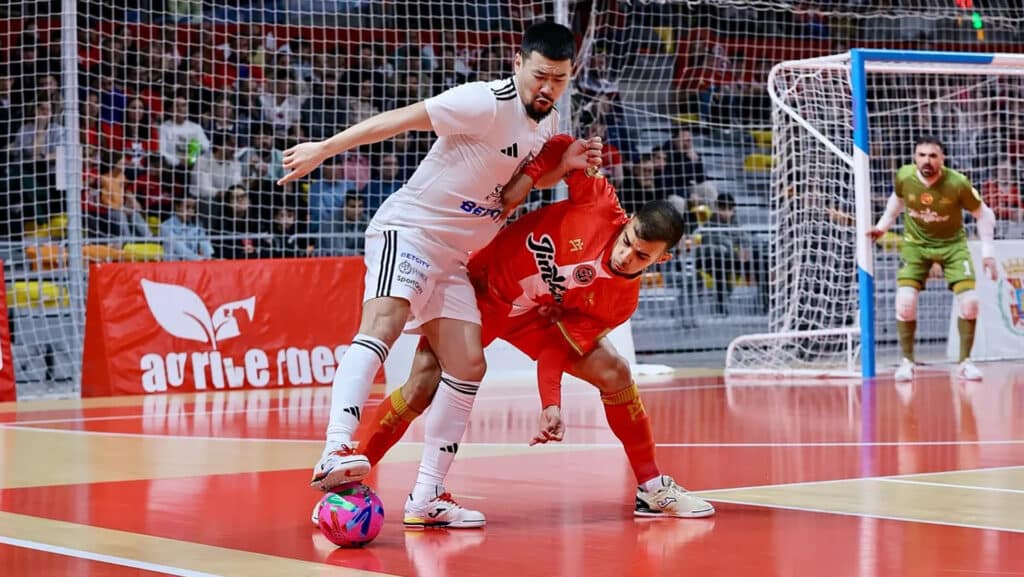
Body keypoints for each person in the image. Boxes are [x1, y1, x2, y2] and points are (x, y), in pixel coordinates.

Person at [320, 134, 715, 529]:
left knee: (615, 371)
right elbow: (561, 144)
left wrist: (550, 403)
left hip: (535, 318)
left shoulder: (620, 303)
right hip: (481, 291)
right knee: (423, 383)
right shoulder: (599, 202)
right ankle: (348, 478)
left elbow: (557, 346)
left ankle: (651, 487)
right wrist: (542, 171)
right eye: (628, 241)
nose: (627, 255)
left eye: (642, 256)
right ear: (627, 223)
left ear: (662, 259)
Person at [278, 22, 586, 520]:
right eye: (539, 76)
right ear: (517, 63)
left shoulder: (546, 124)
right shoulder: (483, 102)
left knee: (468, 365)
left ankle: (427, 496)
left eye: (559, 79)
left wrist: (561, 167)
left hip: (454, 259)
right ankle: (335, 447)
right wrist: (322, 150)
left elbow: (512, 186)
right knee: (383, 324)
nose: (547, 88)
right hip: (411, 231)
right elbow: (399, 120)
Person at [868, 135, 997, 381]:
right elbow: (895, 204)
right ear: (915, 157)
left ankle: (965, 363)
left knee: (970, 303)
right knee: (905, 302)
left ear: (942, 159)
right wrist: (882, 227)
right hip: (916, 246)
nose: (927, 160)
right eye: (922, 155)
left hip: (952, 247)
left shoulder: (958, 183)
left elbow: (985, 215)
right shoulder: (904, 176)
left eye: (933, 156)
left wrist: (988, 253)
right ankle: (907, 362)